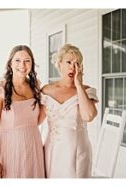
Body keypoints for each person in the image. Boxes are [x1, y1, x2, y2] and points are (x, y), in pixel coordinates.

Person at [0, 45, 47, 178]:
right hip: (10, 148)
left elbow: (36, 121)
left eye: (27, 61)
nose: (22, 65)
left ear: (32, 64)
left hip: (34, 146)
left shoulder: (35, 85)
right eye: (17, 60)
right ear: (10, 63)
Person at [43, 44, 98, 178]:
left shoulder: (86, 90)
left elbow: (88, 116)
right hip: (53, 149)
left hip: (78, 151)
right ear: (59, 64)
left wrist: (78, 84)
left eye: (77, 63)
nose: (73, 67)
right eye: (68, 62)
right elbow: (35, 118)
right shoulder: (46, 90)